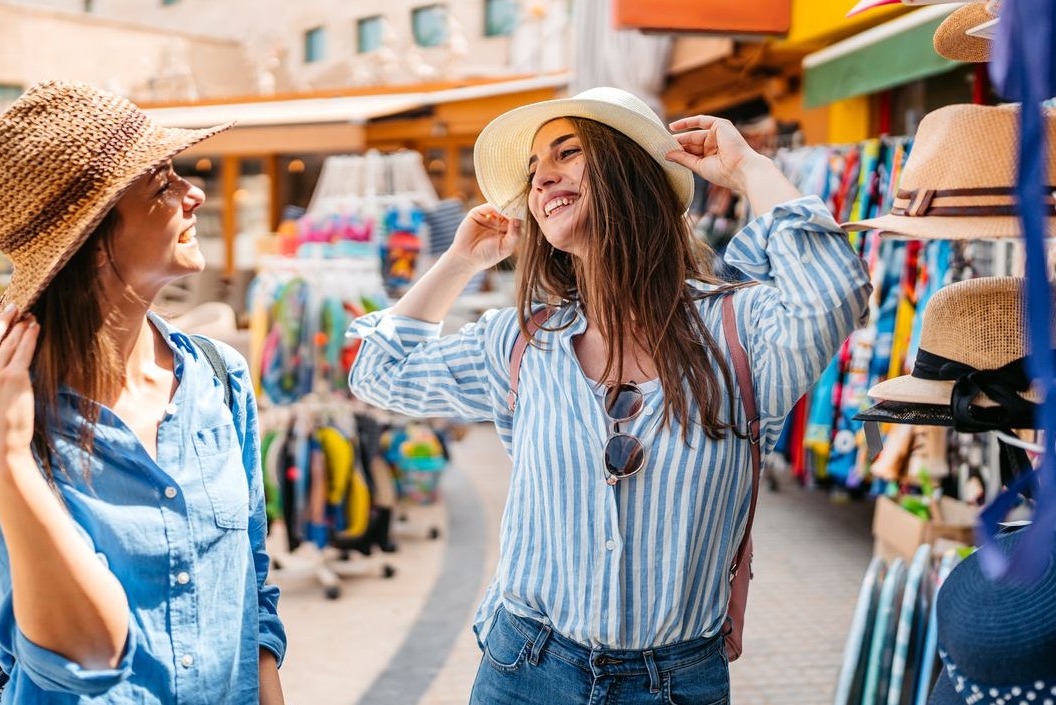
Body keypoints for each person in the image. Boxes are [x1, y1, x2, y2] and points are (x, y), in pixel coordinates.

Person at [346, 87, 872, 704]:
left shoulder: (743, 334)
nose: (542, 178)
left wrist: (748, 169)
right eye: (534, 170)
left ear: (628, 172)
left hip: (674, 684)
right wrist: (461, 261)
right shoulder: (523, 343)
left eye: (566, 154)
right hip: (524, 667)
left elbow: (836, 290)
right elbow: (379, 371)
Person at [0, 80, 286, 704]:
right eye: (163, 184)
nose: (194, 193)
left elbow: (252, 588)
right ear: (90, 239)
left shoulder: (220, 379)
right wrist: (10, 458)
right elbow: (85, 653)